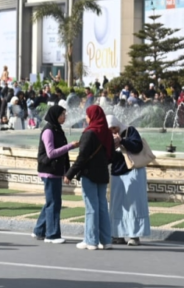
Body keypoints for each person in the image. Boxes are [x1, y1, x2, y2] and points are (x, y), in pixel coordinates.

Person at [65, 105, 113, 250]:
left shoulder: (89, 133)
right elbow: (110, 155)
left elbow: (82, 157)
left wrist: (70, 174)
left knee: (91, 207)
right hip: (103, 174)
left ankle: (91, 240)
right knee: (102, 207)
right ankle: (106, 240)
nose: (86, 117)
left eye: (87, 115)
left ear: (91, 116)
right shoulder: (106, 133)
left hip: (89, 174)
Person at [33, 105, 78, 244]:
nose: (65, 117)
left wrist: (66, 171)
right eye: (62, 114)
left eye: (65, 114)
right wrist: (71, 146)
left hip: (55, 170)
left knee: (51, 202)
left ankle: (39, 230)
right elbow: (51, 153)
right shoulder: (48, 131)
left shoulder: (57, 129)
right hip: (49, 171)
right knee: (54, 203)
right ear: (55, 115)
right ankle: (52, 235)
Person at [106, 115, 150, 247]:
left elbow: (137, 147)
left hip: (133, 172)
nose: (113, 131)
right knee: (117, 205)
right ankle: (117, 234)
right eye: (110, 129)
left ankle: (134, 236)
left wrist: (122, 141)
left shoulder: (130, 131)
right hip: (117, 173)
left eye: (114, 128)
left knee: (134, 205)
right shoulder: (108, 136)